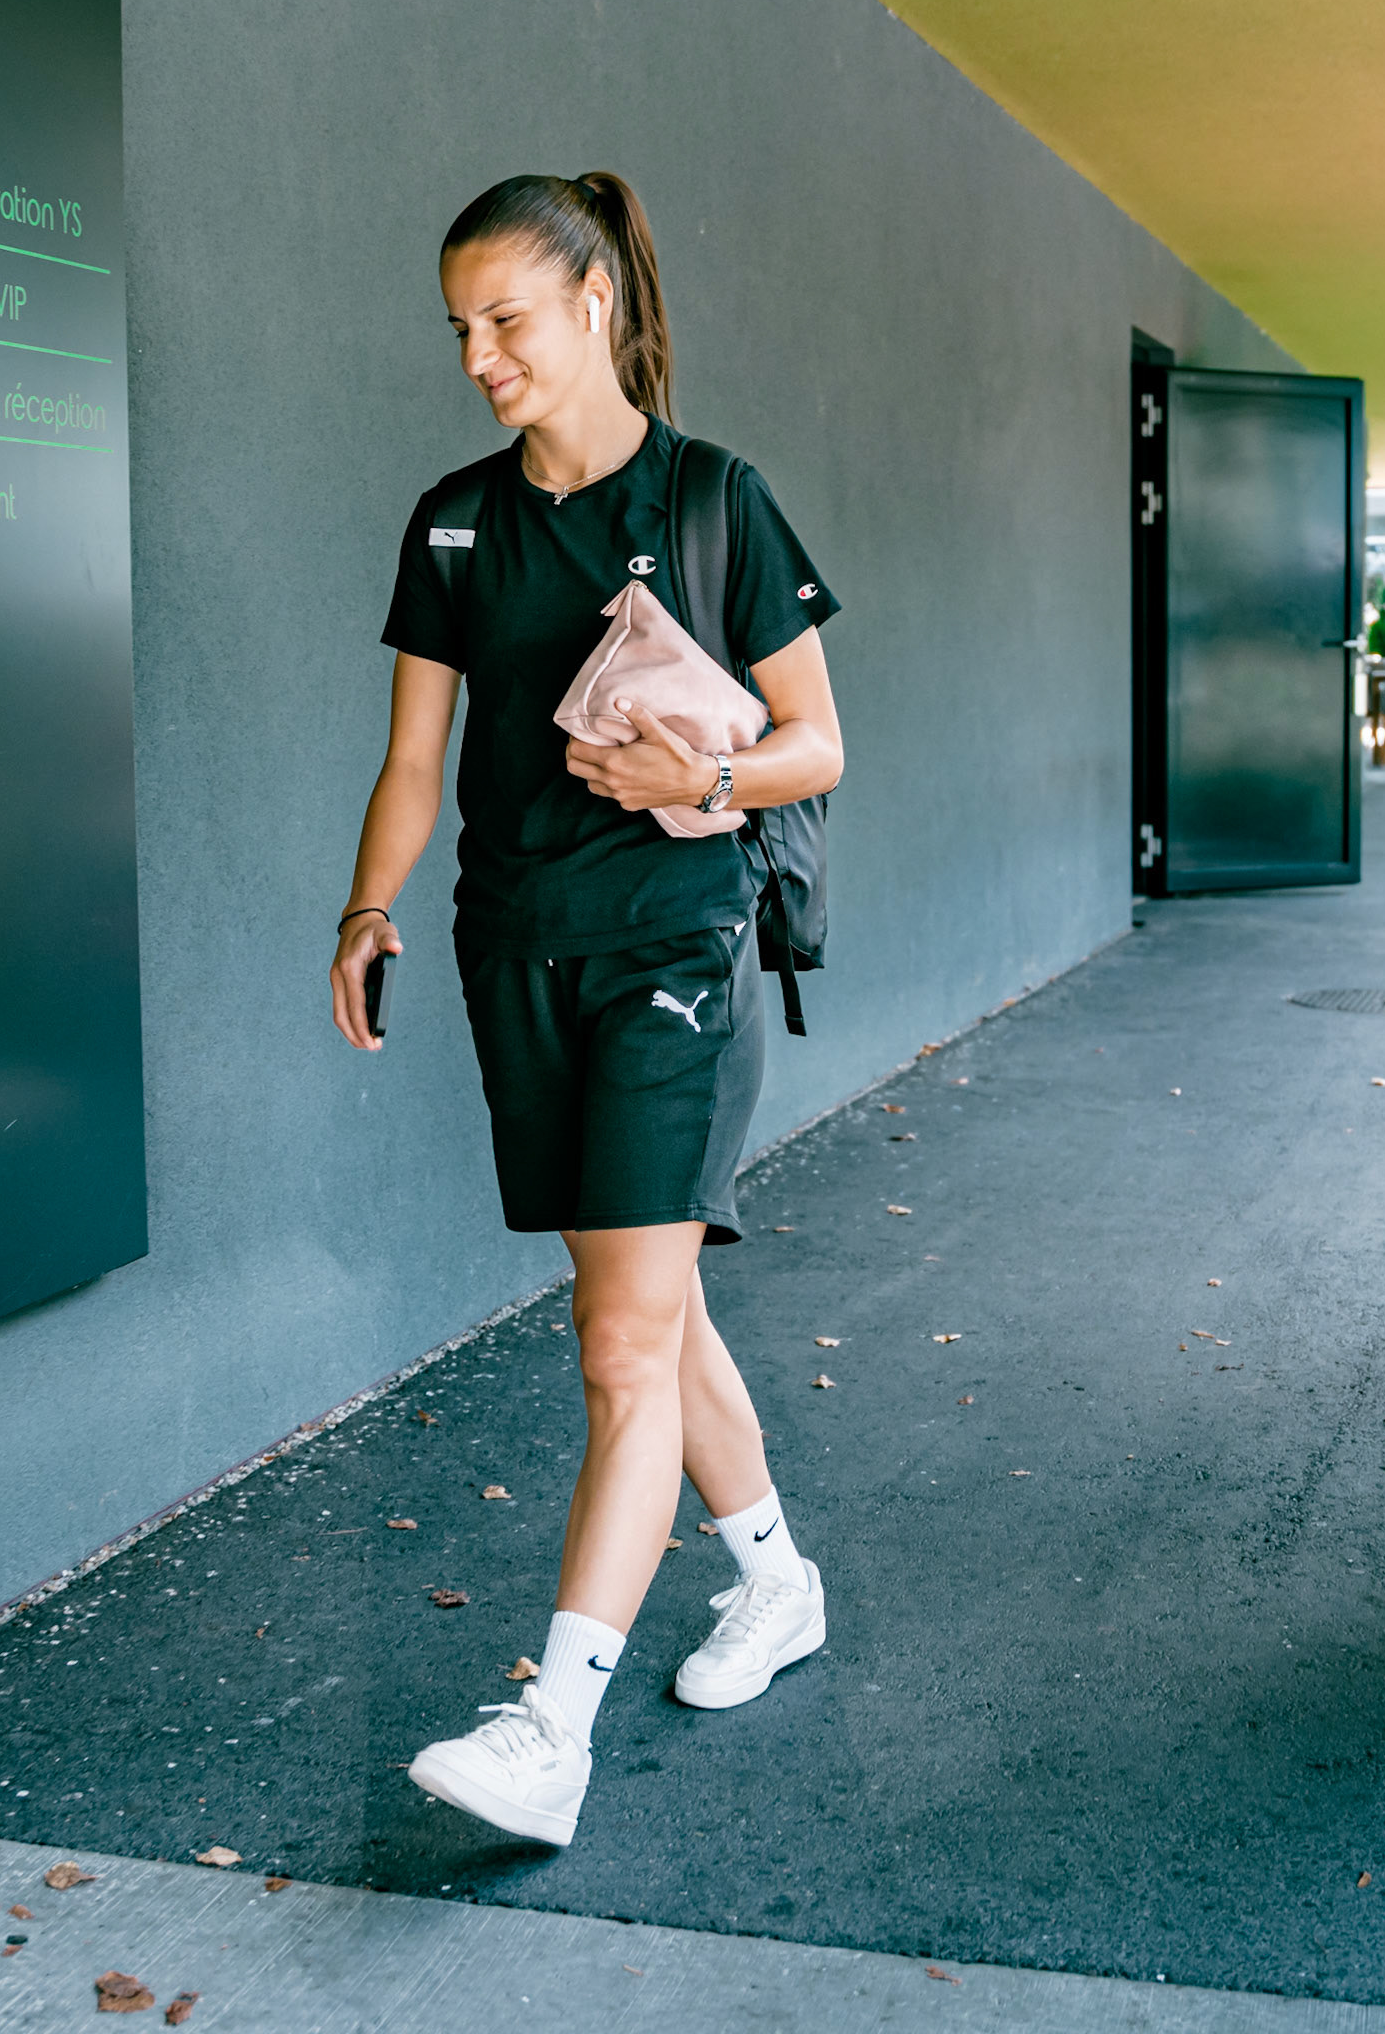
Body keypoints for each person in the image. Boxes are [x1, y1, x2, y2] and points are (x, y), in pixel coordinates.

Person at [330, 171, 844, 1847]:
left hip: (677, 944)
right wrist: (367, 904)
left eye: (508, 321)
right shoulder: (451, 519)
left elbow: (812, 745)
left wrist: (698, 764)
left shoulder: (713, 498)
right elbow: (416, 756)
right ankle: (772, 1581)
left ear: (594, 306)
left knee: (618, 1335)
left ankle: (553, 1726)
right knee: (653, 1304)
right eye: (459, 329)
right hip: (516, 951)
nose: (479, 356)